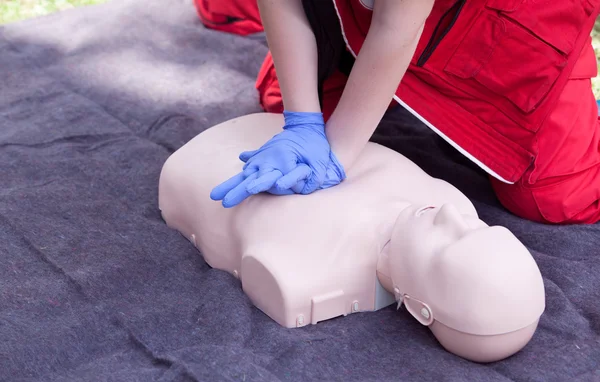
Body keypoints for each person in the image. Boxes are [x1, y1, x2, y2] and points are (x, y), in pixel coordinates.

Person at [158, 112, 546, 363]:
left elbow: (264, 267)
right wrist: (304, 123)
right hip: (283, 128)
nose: (450, 216)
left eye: (447, 242)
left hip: (202, 164)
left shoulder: (310, 273)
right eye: (478, 227)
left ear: (418, 309)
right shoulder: (450, 202)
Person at [203, 0, 600, 225]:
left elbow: (398, 26)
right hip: (370, 13)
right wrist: (302, 122)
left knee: (557, 198)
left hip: (501, 19)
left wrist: (337, 154)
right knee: (282, 98)